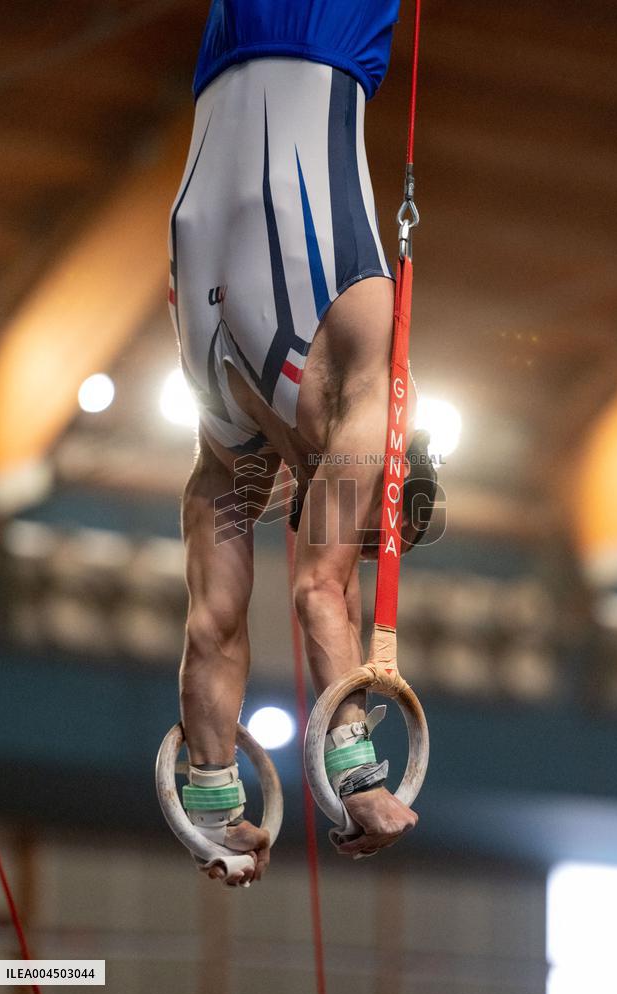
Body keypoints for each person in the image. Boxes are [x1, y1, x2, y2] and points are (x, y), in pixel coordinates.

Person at [167, 0, 437, 885]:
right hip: (203, 222)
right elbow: (213, 629)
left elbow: (325, 595)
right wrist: (213, 806)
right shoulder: (230, 448)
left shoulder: (368, 398)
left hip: (315, 56)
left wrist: (359, 782)